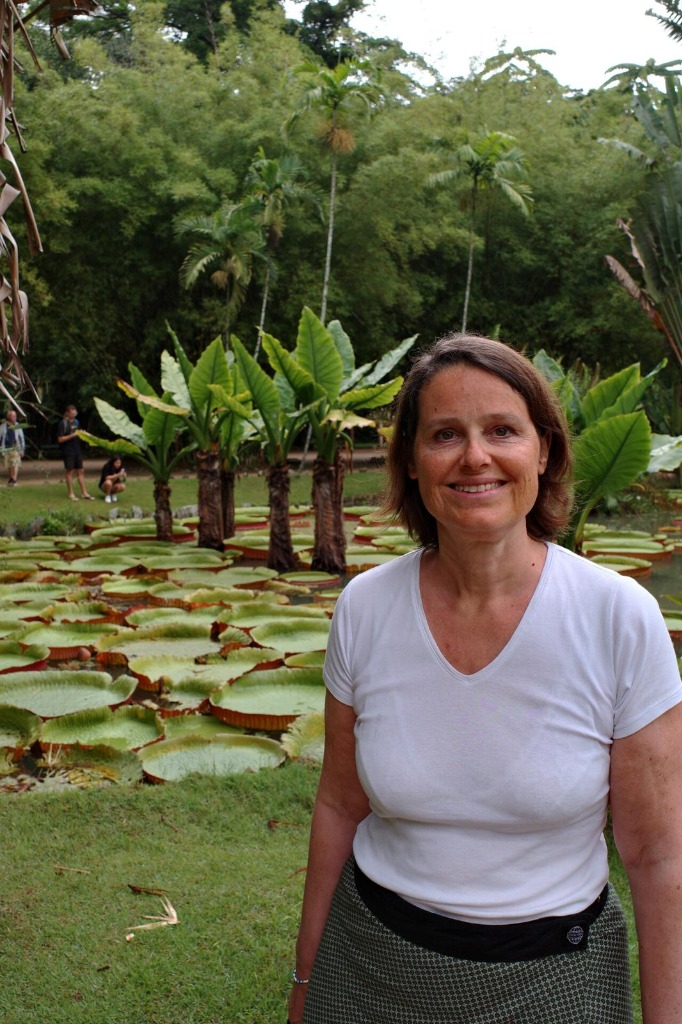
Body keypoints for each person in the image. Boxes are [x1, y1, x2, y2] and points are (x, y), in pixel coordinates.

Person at [289, 334, 682, 1024]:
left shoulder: (618, 616)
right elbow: (339, 806)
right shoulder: (365, 608)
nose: (475, 456)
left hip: (558, 978)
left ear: (545, 451)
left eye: (502, 429)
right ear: (412, 462)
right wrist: (304, 980)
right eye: (446, 434)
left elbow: (656, 855)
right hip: (371, 964)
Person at [57, 404, 94, 501]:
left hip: (77, 449)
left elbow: (79, 433)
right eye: (72, 412)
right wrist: (73, 435)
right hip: (68, 451)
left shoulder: (77, 422)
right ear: (67, 413)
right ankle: (71, 493)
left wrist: (85, 434)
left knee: (81, 470)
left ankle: (84, 492)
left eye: (75, 412)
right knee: (70, 471)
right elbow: (60, 439)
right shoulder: (63, 423)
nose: (74, 414)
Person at [0, 409, 25, 486]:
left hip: (15, 447)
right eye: (12, 415)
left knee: (15, 463)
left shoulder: (18, 426)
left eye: (15, 415)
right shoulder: (2, 427)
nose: (14, 417)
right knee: (9, 465)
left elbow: (21, 438)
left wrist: (22, 449)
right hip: (6, 448)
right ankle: (11, 478)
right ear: (8, 416)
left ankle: (14, 479)